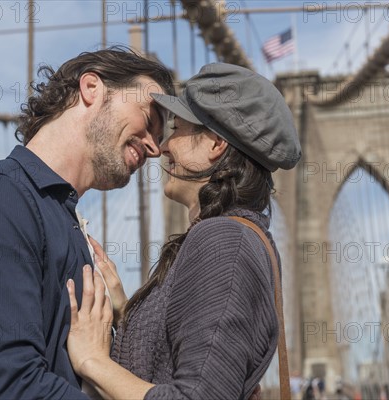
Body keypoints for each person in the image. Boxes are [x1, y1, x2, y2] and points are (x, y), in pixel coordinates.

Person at [0, 47, 174, 399]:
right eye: (149, 118)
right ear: (92, 87)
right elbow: (6, 387)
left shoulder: (63, 223)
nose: (155, 148)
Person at [66, 63, 302, 399]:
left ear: (216, 145)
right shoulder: (233, 237)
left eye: (177, 128)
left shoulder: (225, 243)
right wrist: (125, 315)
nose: (163, 147)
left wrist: (90, 360)